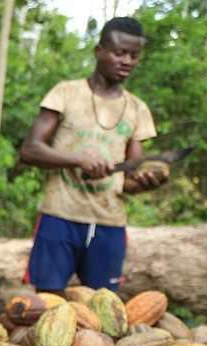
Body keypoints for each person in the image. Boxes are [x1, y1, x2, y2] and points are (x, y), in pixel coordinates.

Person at [18, 16, 168, 295]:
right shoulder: (67, 93)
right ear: (99, 51)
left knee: (102, 307)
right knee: (49, 302)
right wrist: (79, 160)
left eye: (134, 56)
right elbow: (30, 149)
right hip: (60, 216)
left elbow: (130, 179)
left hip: (108, 223)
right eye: (119, 52)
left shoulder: (137, 109)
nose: (127, 61)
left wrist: (149, 182)